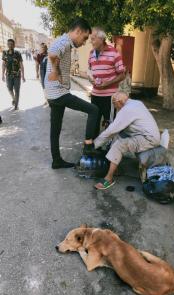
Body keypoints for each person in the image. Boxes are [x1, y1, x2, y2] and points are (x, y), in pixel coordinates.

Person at [45, 18, 99, 169]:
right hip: (59, 94)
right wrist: (56, 72)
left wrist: (59, 72)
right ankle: (88, 144)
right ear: (78, 31)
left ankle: (56, 160)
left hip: (52, 93)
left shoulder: (64, 42)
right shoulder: (64, 43)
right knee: (93, 110)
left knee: (55, 129)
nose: (84, 42)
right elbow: (52, 53)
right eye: (85, 38)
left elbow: (56, 57)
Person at [93, 92, 161, 190]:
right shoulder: (135, 103)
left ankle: (109, 179)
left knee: (120, 145)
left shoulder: (127, 110)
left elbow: (110, 131)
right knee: (118, 136)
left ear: (119, 102)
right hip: (143, 134)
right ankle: (114, 166)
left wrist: (93, 145)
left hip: (148, 139)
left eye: (114, 104)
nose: (114, 106)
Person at [88, 27, 125, 138]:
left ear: (101, 38)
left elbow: (122, 75)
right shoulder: (91, 53)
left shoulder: (114, 53)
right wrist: (90, 78)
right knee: (93, 122)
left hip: (110, 97)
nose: (91, 41)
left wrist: (107, 84)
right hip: (95, 95)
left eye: (93, 38)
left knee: (110, 124)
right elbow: (89, 70)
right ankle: (93, 147)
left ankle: (109, 148)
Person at [2, 39, 25, 110]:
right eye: (9, 44)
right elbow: (3, 64)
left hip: (17, 75)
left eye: (11, 44)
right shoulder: (5, 53)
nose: (10, 45)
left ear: (14, 45)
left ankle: (16, 105)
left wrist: (23, 76)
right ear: (7, 45)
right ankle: (14, 99)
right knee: (9, 89)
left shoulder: (17, 53)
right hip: (8, 75)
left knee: (17, 90)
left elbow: (21, 64)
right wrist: (2, 74)